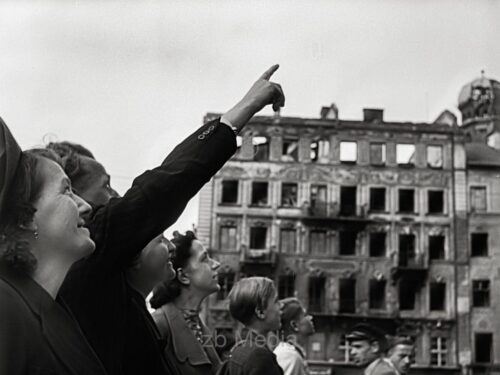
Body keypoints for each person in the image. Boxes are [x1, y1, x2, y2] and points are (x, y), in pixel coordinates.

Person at [48, 65, 285, 375]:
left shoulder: (119, 293)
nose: (116, 196)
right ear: (76, 200)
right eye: (104, 187)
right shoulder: (93, 245)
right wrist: (246, 107)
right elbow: (161, 188)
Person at [0, 119, 107, 375]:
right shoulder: (4, 306)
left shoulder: (54, 311)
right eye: (66, 191)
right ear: (26, 218)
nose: (86, 205)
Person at [150, 230, 222, 375]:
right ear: (183, 276)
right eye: (204, 259)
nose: (216, 264)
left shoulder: (201, 327)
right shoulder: (158, 325)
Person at [224, 277, 284, 375]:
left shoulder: (239, 348)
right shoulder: (260, 356)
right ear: (260, 312)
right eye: (276, 301)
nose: (281, 305)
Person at [274, 297, 315, 375]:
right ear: (295, 325)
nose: (310, 317)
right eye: (305, 315)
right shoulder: (289, 356)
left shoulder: (291, 353)